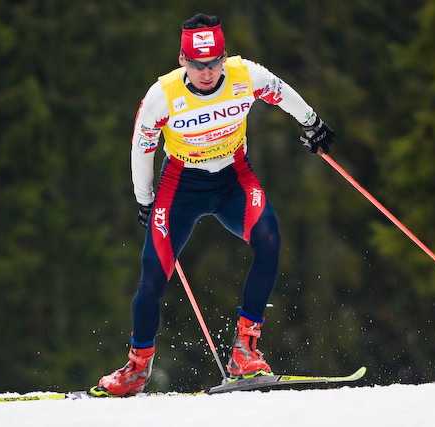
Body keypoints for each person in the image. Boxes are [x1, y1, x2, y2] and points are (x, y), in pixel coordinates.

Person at [94, 12, 335, 396]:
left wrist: (311, 122)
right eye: (196, 64)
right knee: (153, 277)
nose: (206, 73)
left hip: (234, 179)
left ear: (224, 57)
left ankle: (244, 351)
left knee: (269, 240)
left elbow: (281, 91)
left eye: (213, 63)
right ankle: (137, 369)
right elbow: (142, 147)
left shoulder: (245, 75)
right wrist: (144, 199)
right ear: (182, 59)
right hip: (180, 186)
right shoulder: (163, 95)